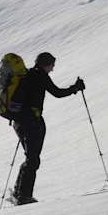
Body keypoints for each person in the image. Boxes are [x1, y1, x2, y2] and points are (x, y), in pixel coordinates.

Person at [7, 52, 84, 206]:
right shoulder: (40, 75)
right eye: (52, 65)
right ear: (45, 64)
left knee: (31, 158)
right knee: (33, 159)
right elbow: (57, 93)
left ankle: (19, 193)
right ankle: (24, 197)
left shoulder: (27, 74)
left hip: (20, 121)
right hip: (31, 122)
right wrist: (75, 88)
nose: (53, 69)